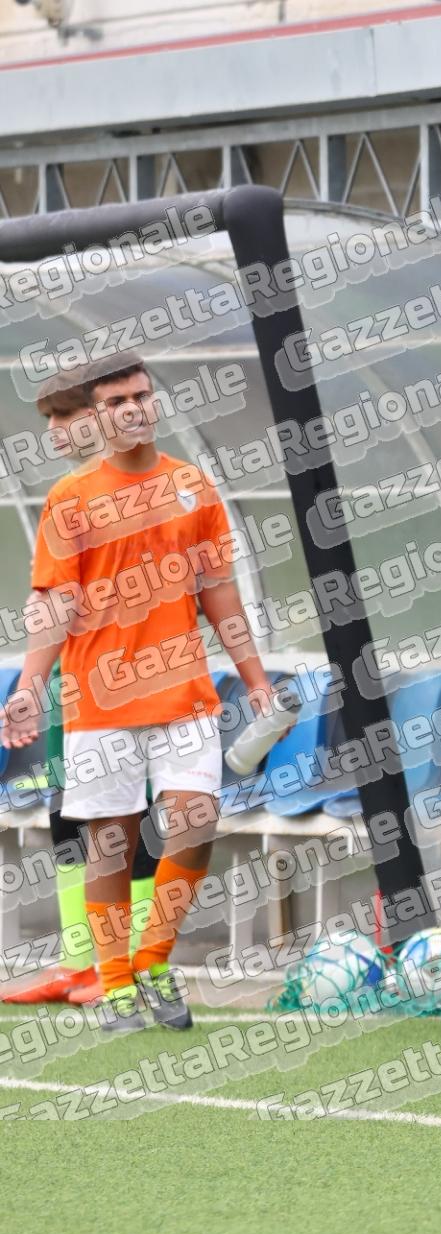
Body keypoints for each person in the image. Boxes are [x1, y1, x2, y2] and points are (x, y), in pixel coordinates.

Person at [2, 356, 275, 1033]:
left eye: (142, 396)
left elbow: (218, 591)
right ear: (97, 417)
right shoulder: (70, 498)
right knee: (111, 845)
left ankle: (152, 961)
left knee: (195, 823)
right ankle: (116, 984)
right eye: (117, 401)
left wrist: (255, 678)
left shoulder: (193, 486)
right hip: (99, 701)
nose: (133, 409)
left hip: (185, 694)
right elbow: (55, 603)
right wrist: (30, 687)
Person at [0, 378, 160, 1006]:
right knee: (66, 819)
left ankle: (131, 968)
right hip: (77, 687)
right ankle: (78, 965)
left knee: (126, 824)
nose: (53, 430)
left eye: (64, 416)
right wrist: (34, 685)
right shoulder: (68, 494)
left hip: (135, 684)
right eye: (50, 418)